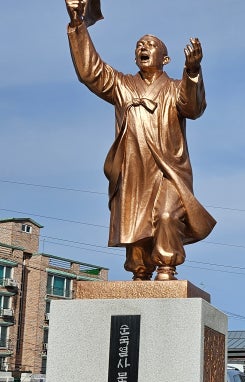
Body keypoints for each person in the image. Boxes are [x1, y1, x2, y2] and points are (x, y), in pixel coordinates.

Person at [65, 0, 216, 281]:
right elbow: (90, 72)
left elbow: (194, 108)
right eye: (138, 46)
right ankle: (140, 272)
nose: (143, 48)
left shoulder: (173, 89)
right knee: (135, 226)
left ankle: (168, 266)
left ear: (165, 59)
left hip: (168, 172)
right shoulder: (122, 85)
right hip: (133, 170)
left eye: (150, 45)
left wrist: (193, 72)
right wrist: (77, 26)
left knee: (168, 217)